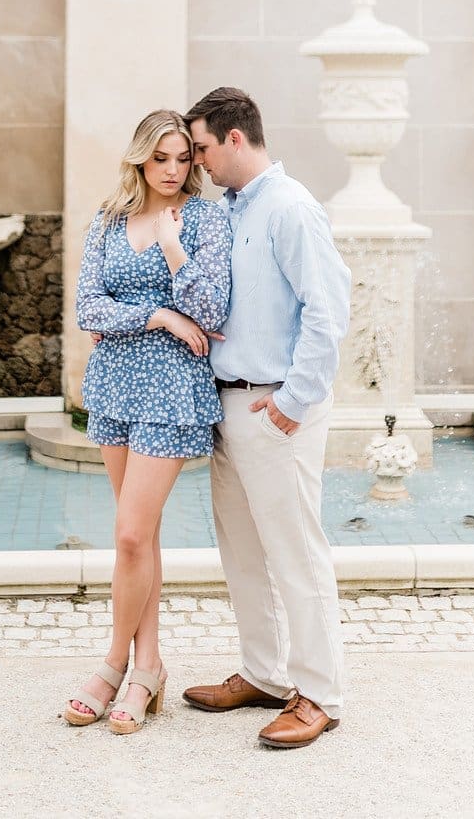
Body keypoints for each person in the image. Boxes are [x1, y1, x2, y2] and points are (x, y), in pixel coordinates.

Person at [181, 87, 350, 750]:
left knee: (296, 552)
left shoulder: (291, 206)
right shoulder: (227, 210)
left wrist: (290, 401)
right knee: (243, 552)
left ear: (233, 137)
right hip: (228, 406)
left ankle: (321, 694)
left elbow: (327, 310)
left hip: (276, 405)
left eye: (200, 147)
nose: (197, 161)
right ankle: (263, 672)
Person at [63, 109, 231, 735]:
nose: (173, 170)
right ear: (139, 158)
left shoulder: (205, 218)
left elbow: (211, 307)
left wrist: (170, 245)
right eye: (161, 158)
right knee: (144, 538)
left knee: (131, 535)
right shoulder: (107, 219)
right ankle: (149, 667)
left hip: (170, 388)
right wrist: (159, 316)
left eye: (184, 158)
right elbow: (89, 306)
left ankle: (112, 664)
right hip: (114, 384)